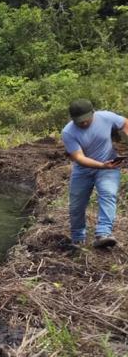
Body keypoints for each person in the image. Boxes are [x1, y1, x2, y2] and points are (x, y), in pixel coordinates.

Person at [62, 99, 128, 249]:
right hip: (83, 170)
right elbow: (79, 158)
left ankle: (103, 233)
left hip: (109, 166)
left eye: (86, 119)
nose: (84, 123)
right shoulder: (68, 132)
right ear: (72, 119)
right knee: (76, 206)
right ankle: (78, 237)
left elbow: (124, 122)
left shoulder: (106, 117)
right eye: (79, 121)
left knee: (108, 193)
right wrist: (101, 166)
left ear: (93, 113)